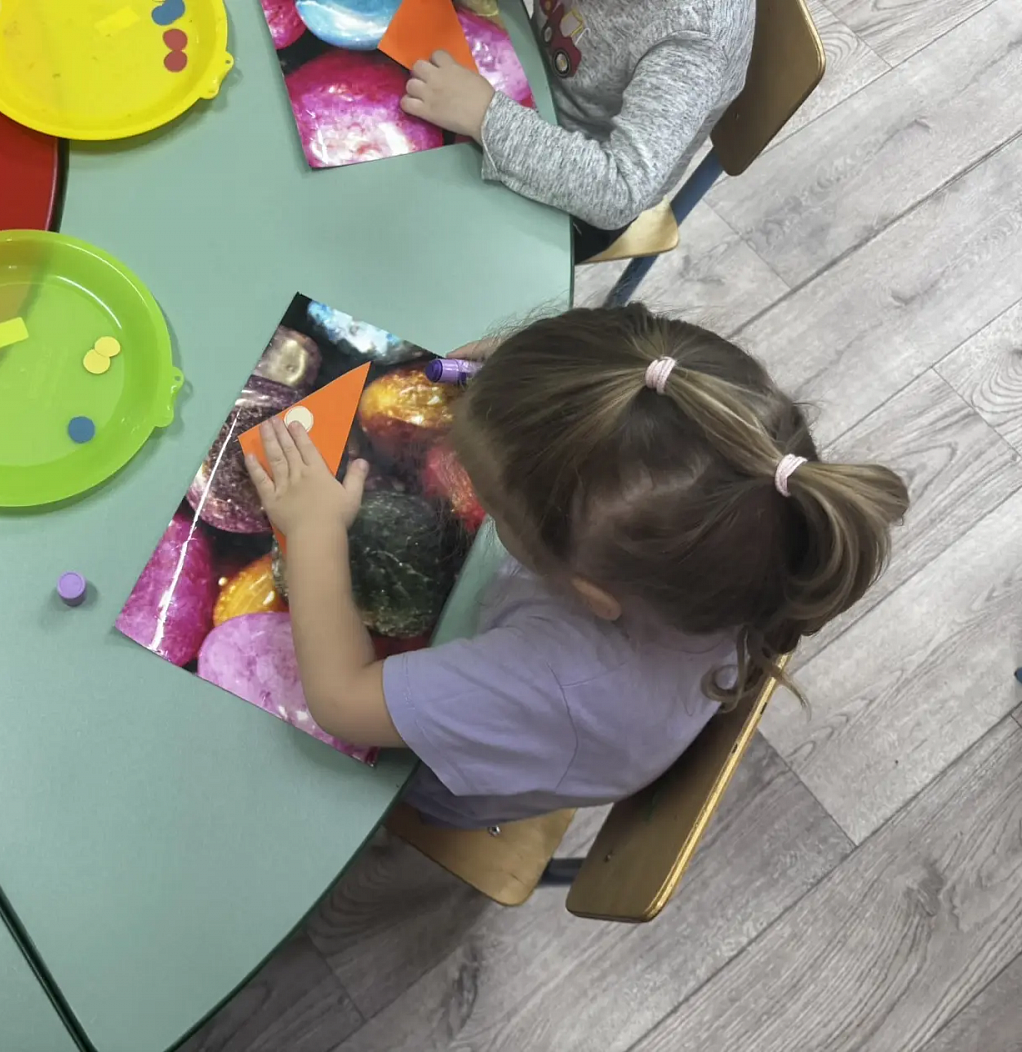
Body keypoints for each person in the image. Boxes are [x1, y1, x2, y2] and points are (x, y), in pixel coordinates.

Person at [243, 305, 909, 828]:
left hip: (430, 786)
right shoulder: (746, 532)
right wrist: (540, 382)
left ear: (590, 593)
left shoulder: (553, 679)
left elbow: (341, 701)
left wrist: (314, 532)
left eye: (496, 505)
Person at [398, 0, 756, 260]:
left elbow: (621, 191)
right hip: (519, 78)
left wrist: (484, 117)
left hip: (577, 196)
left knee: (418, 240)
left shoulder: (695, 36)